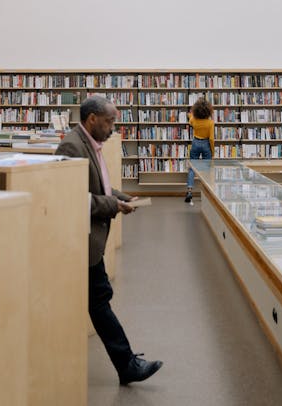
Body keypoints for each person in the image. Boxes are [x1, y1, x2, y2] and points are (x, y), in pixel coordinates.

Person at [56, 95, 163, 386]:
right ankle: (126, 364)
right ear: (93, 119)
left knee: (98, 301)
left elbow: (99, 185)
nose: (113, 127)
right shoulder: (72, 146)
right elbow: (75, 197)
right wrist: (112, 206)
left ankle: (126, 364)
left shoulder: (90, 143)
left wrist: (122, 197)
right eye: (110, 121)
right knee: (99, 301)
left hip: (90, 242)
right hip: (82, 241)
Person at [185, 97, 215, 204]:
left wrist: (191, 114)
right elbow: (211, 139)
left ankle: (189, 191)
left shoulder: (194, 120)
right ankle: (206, 193)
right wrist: (213, 152)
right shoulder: (210, 123)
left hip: (196, 142)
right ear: (208, 111)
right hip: (206, 144)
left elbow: (190, 119)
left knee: (192, 168)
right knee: (207, 170)